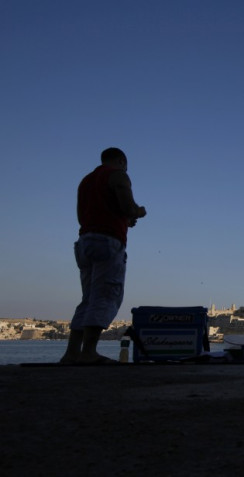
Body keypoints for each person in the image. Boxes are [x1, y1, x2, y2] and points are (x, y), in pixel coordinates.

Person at [60, 147, 147, 365]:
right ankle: (89, 352)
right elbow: (128, 206)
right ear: (121, 161)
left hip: (85, 241)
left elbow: (83, 216)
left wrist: (122, 219)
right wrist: (138, 212)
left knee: (87, 299)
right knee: (106, 294)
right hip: (107, 241)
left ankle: (72, 354)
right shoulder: (117, 175)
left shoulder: (86, 181)